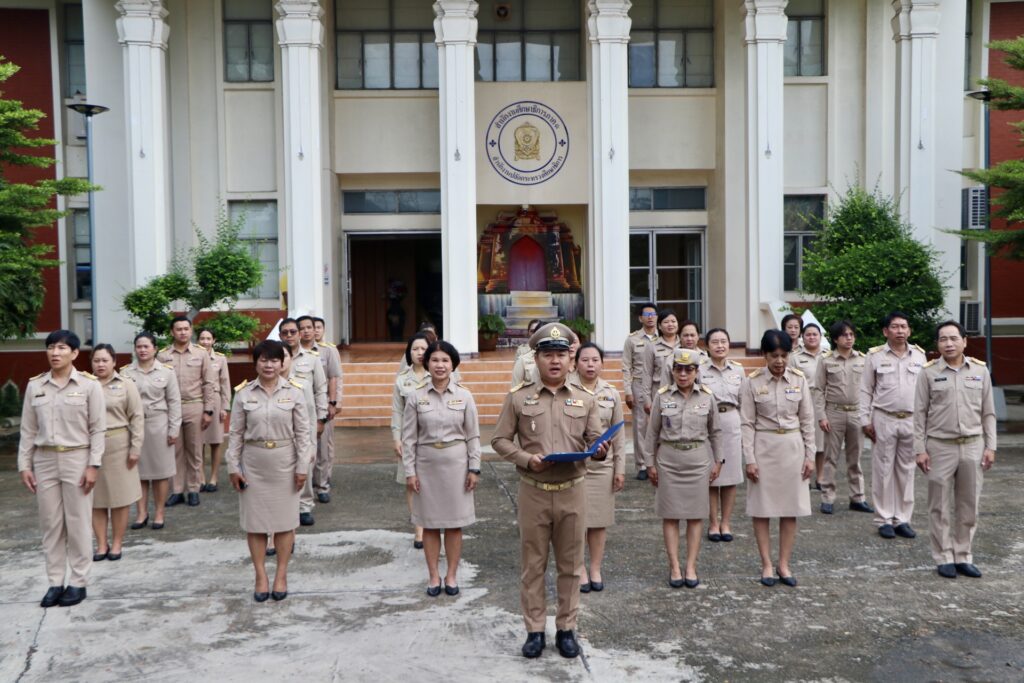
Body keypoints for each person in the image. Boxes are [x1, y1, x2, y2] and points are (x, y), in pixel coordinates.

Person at [491, 322, 606, 660]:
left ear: (570, 359)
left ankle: (567, 629)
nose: (555, 361)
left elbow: (596, 440)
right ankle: (535, 630)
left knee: (571, 565)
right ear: (536, 359)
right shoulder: (519, 397)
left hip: (572, 490)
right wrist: (526, 459)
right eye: (548, 355)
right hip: (534, 492)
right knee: (533, 565)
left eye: (560, 354)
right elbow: (499, 440)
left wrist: (599, 450)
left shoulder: (585, 399)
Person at [18, 330, 105, 608]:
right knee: (51, 524)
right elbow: (28, 430)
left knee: (78, 523)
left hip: (77, 459)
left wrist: (93, 465)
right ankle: (55, 582)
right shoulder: (36, 386)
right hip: (44, 460)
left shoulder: (89, 385)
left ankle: (78, 582)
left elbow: (98, 429)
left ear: (75, 353)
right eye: (51, 347)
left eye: (62, 348)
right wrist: (24, 465)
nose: (55, 353)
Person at [226, 340, 314, 602]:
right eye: (263, 360)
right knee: (255, 525)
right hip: (253, 465)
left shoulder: (295, 392)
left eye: (274, 360)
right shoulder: (243, 394)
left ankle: (281, 575)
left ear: (282, 363)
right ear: (256, 363)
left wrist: (302, 468)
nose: (269, 365)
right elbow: (235, 434)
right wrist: (233, 466)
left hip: (285, 464)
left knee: (285, 524)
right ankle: (260, 576)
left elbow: (304, 434)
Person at [914, 321, 996, 579]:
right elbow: (919, 414)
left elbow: (989, 412)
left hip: (973, 445)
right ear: (937, 344)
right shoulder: (928, 373)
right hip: (940, 447)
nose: (948, 344)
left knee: (969, 505)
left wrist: (991, 446)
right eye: (943, 339)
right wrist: (919, 449)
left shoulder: (980, 371)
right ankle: (944, 557)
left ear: (964, 341)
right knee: (939, 505)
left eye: (953, 338)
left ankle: (963, 555)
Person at [402, 341, 480, 596]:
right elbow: (408, 439)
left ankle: (452, 575)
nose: (440, 365)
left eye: (445, 360)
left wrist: (474, 468)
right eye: (435, 360)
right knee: (430, 524)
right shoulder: (416, 397)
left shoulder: (465, 396)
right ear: (427, 364)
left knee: (455, 524)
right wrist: (410, 471)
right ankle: (434, 576)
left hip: (457, 466)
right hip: (426, 466)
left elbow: (473, 436)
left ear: (453, 364)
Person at [741, 330, 815, 587]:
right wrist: (749, 459)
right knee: (762, 510)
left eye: (784, 355)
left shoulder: (798, 380)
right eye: (774, 356)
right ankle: (766, 564)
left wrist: (810, 455)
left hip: (792, 449)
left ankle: (784, 563)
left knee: (790, 509)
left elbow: (807, 420)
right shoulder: (752, 382)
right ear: (764, 355)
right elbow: (747, 423)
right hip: (764, 447)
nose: (780, 361)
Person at [645, 349, 723, 588]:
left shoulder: (707, 396)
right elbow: (652, 433)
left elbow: (715, 432)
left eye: (689, 369)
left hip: (697, 460)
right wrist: (649, 463)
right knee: (670, 516)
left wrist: (718, 461)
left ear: (696, 372)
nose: (683, 374)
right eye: (678, 369)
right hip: (668, 460)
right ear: (672, 371)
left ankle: (690, 566)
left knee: (695, 516)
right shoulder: (662, 396)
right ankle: (675, 567)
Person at [859, 311, 928, 539]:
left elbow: (926, 392)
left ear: (909, 330)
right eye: (895, 327)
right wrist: (865, 420)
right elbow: (865, 390)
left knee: (907, 470)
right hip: (884, 418)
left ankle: (902, 519)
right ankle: (884, 519)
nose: (900, 331)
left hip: (911, 419)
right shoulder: (874, 356)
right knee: (883, 470)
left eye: (904, 326)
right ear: (885, 331)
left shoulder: (919, 356)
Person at [571, 343, 625, 593]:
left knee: (599, 521)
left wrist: (620, 469)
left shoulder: (611, 393)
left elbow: (619, 435)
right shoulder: (567, 390)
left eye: (595, 360)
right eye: (585, 360)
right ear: (576, 363)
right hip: (574, 465)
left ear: (602, 363)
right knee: (577, 521)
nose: (590, 365)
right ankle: (579, 568)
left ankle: (595, 568)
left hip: (603, 467)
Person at [90, 344, 144, 562]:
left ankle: (117, 543)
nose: (100, 364)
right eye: (96, 360)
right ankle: (101, 544)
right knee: (96, 499)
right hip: (91, 448)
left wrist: (135, 448)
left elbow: (137, 416)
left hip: (119, 445)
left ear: (114, 362)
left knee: (120, 498)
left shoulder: (126, 384)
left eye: (105, 360)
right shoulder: (86, 385)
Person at [813, 321, 873, 516]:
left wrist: (868, 415)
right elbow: (818, 390)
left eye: (851, 334)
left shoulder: (863, 359)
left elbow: (870, 389)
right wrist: (821, 416)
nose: (849, 338)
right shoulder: (826, 360)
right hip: (834, 412)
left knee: (855, 458)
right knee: (830, 458)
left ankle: (858, 498)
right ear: (835, 339)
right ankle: (827, 498)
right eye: (844, 335)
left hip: (856, 412)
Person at [122, 332, 181, 531]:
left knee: (160, 473)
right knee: (137, 472)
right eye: (139, 346)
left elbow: (174, 402)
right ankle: (141, 513)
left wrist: (174, 429)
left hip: (159, 426)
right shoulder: (125, 373)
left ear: (155, 349)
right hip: (134, 427)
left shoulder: (167, 372)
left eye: (146, 346)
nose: (142, 350)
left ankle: (159, 513)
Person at [159, 316, 217, 507]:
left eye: (186, 329)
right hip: (171, 408)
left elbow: (209, 383)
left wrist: (208, 410)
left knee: (194, 450)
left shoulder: (201, 354)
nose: (183, 332)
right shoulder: (163, 356)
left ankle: (193, 489)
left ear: (191, 331)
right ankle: (177, 491)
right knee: (174, 450)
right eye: (179, 329)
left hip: (195, 405)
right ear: (172, 332)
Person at [280, 318, 327, 525]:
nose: (289, 335)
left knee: (306, 463)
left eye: (293, 332)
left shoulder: (312, 358)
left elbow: (320, 389)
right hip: (281, 421)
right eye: (285, 333)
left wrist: (322, 418)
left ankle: (305, 506)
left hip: (307, 420)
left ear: (299, 334)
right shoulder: (274, 357)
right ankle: (287, 505)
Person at [700, 328, 745, 542]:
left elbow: (745, 402)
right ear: (707, 346)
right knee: (711, 476)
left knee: (730, 477)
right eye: (715, 342)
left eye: (723, 341)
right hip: (708, 423)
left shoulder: (738, 370)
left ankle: (726, 523)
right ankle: (713, 523)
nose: (720, 346)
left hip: (732, 422)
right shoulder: (700, 370)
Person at [298, 315, 342, 504]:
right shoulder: (292, 352)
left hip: (322, 405)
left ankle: (322, 486)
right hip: (300, 406)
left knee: (323, 448)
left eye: (312, 327)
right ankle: (304, 486)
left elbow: (334, 377)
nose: (309, 331)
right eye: (304, 328)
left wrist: (333, 403)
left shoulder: (327, 351)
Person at [392, 333, 431, 548]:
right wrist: (396, 438)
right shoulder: (402, 379)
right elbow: (397, 411)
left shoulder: (439, 374)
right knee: (410, 482)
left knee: (433, 482)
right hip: (408, 438)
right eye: (415, 349)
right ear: (409, 353)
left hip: (433, 437)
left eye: (423, 348)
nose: (419, 353)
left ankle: (432, 522)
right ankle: (419, 529)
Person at [622, 303, 659, 480]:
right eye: (647, 314)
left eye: (653, 314)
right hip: (638, 385)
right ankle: (642, 465)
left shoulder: (663, 338)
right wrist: (627, 391)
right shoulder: (632, 340)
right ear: (640, 318)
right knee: (641, 425)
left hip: (658, 385)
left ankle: (659, 462)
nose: (650, 317)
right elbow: (626, 367)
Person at [790, 323, 826, 489]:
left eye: (815, 334)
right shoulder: (794, 357)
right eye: (808, 335)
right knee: (803, 440)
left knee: (821, 443)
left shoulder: (827, 355)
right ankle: (804, 476)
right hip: (802, 400)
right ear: (802, 338)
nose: (812, 337)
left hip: (822, 401)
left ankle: (821, 477)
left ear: (820, 336)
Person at [197, 328, 230, 493]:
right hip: (198, 400)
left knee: (216, 441)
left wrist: (225, 406)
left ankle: (214, 477)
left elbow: (225, 383)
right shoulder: (194, 357)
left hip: (215, 400)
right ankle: (201, 478)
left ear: (214, 340)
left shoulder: (220, 359)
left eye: (208, 338)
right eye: (202, 338)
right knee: (199, 442)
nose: (205, 342)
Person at [640, 310, 682, 415]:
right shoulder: (652, 346)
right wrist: (647, 399)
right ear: (659, 326)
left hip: (683, 392)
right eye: (666, 322)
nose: (670, 324)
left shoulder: (684, 344)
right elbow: (647, 373)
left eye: (673, 321)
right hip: (660, 392)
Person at [510, 319, 544, 389]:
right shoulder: (522, 353)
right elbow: (517, 377)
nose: (535, 334)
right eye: (532, 331)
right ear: (528, 332)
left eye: (537, 331)